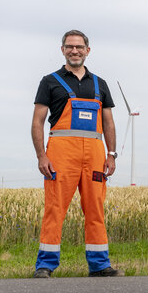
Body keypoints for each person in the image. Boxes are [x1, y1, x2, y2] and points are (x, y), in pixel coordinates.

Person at [32, 30, 120, 278]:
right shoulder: (49, 81)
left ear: (87, 51)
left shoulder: (99, 84)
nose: (74, 51)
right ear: (62, 50)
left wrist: (111, 154)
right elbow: (37, 122)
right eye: (70, 47)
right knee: (55, 208)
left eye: (79, 47)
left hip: (94, 154)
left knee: (95, 209)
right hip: (61, 154)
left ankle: (100, 265)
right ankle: (45, 265)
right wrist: (41, 156)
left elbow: (109, 122)